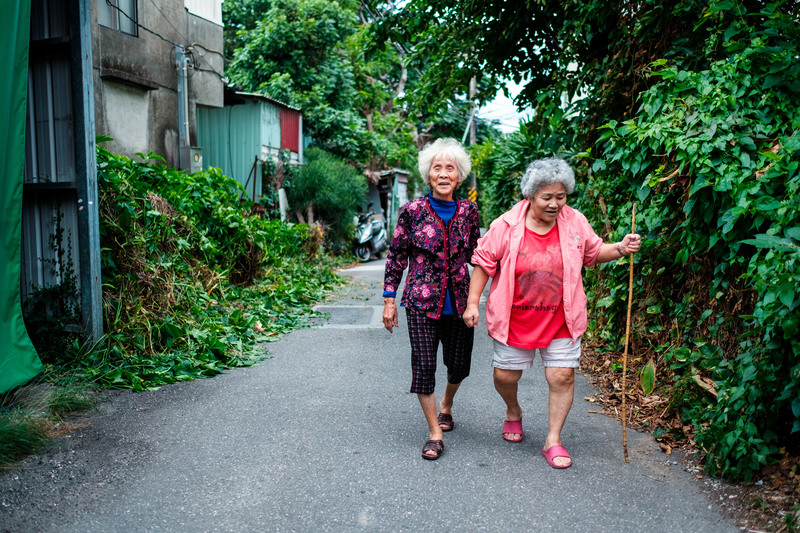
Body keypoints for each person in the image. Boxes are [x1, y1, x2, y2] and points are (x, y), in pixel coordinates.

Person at [462, 157, 641, 469]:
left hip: (561, 318)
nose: (555, 204)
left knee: (561, 375)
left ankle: (553, 439)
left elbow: (593, 253)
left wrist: (621, 248)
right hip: (515, 319)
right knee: (505, 376)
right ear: (530, 196)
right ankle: (513, 410)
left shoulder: (575, 222)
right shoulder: (506, 225)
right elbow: (484, 263)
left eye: (561, 196)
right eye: (547, 197)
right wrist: (471, 303)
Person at [382, 138, 481, 460]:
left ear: (459, 176)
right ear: (428, 175)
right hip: (421, 304)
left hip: (460, 304)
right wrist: (388, 300)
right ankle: (434, 432)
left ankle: (447, 405)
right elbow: (396, 256)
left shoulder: (469, 211)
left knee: (459, 366)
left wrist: (476, 302)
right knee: (424, 367)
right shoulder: (411, 212)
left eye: (449, 168)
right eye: (436, 168)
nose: (442, 174)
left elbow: (478, 256)